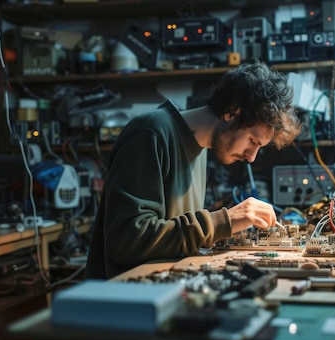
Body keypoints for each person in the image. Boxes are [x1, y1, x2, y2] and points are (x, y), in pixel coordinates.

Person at [84, 61, 302, 280]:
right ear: (232, 111)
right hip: (126, 300)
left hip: (166, 289)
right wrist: (222, 222)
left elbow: (175, 236)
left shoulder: (200, 148)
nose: (251, 157)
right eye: (252, 141)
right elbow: (127, 240)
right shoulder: (150, 132)